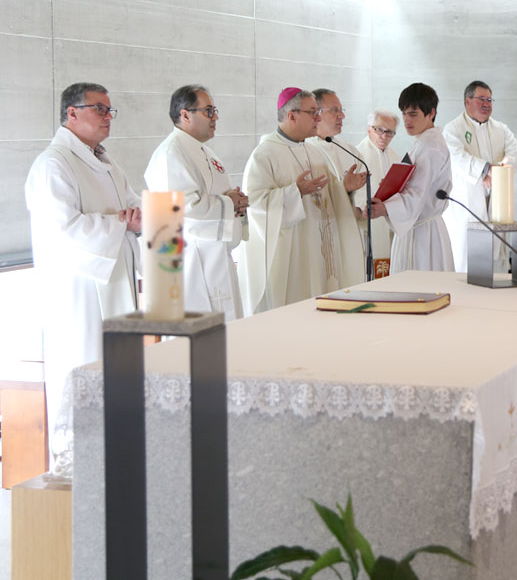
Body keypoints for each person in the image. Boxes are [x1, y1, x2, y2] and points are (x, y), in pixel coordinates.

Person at [25, 82, 142, 464]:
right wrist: (118, 225)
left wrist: (139, 220)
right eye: (99, 109)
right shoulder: (53, 164)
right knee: (84, 365)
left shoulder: (106, 162)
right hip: (78, 293)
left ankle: (118, 455)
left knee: (114, 372)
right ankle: (75, 465)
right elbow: (64, 231)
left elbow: (132, 207)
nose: (108, 117)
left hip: (113, 286)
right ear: (71, 113)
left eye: (110, 110)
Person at [237, 87, 366, 314]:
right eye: (312, 112)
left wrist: (344, 189)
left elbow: (328, 197)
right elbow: (256, 206)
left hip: (320, 255)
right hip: (292, 257)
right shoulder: (264, 154)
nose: (318, 118)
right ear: (291, 115)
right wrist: (294, 192)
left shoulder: (315, 152)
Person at [144, 84, 247, 321]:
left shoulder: (202, 151)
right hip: (190, 261)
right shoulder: (171, 153)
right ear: (185, 114)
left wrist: (235, 202)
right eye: (208, 111)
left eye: (214, 110)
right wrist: (229, 203)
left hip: (214, 253)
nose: (216, 117)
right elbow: (183, 207)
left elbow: (213, 195)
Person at [368, 82, 454, 272]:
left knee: (421, 290)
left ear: (431, 113)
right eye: (404, 113)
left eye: (413, 114)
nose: (407, 120)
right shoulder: (423, 141)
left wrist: (386, 207)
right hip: (415, 226)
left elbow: (417, 193)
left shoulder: (431, 146)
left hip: (424, 233)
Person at [443, 80, 517, 272]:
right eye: (481, 99)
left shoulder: (501, 129)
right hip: (467, 206)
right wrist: (486, 169)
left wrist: (497, 174)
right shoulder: (452, 129)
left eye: (489, 99)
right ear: (467, 101)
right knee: (466, 263)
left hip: (497, 204)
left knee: (497, 262)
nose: (486, 104)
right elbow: (457, 157)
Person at [355, 109, 402, 277]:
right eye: (379, 130)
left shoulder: (395, 156)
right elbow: (354, 193)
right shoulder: (357, 155)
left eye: (389, 132)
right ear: (369, 129)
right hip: (367, 225)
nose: (384, 136)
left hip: (389, 221)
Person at [310, 88, 364, 179]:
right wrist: (344, 189)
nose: (342, 116)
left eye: (341, 110)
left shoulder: (350, 150)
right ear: (316, 113)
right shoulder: (305, 150)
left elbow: (364, 185)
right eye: (334, 110)